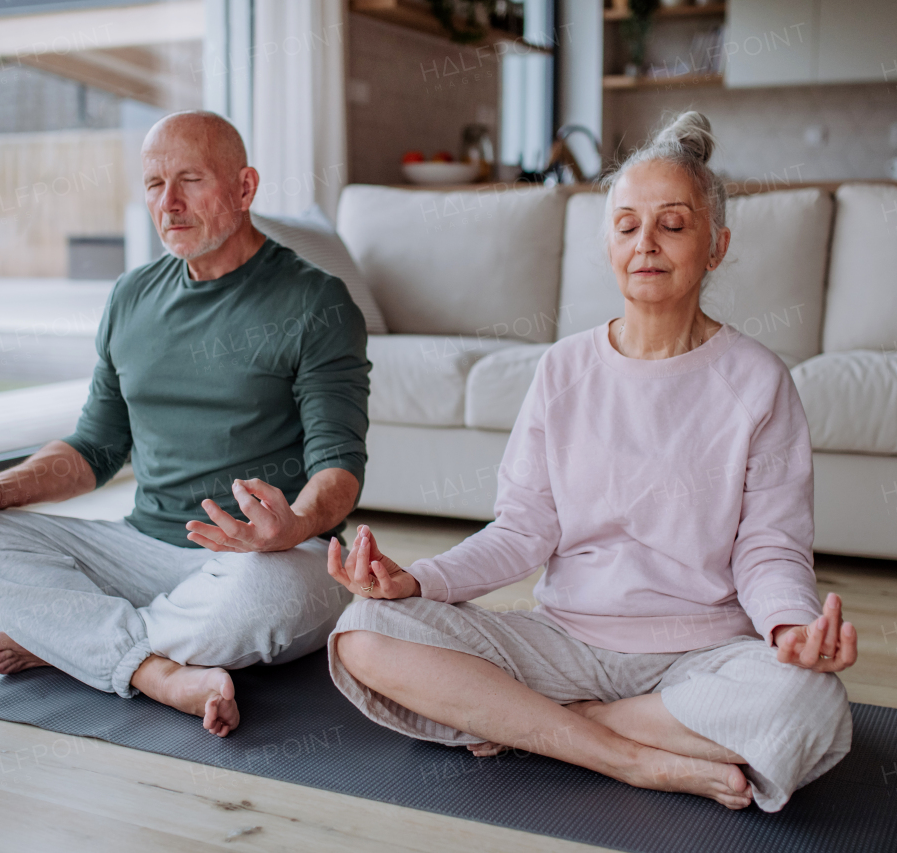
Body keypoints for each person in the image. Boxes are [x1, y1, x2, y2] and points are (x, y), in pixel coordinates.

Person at [325, 112, 856, 812]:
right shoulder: (564, 368)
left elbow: (770, 545)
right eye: (628, 225)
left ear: (716, 245)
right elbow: (522, 530)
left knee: (810, 703)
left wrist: (790, 627)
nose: (647, 243)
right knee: (362, 634)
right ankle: (631, 758)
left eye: (673, 223)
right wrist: (418, 580)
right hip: (563, 641)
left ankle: (545, 727)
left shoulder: (758, 380)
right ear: (607, 243)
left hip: (699, 656)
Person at [0, 111, 369, 737]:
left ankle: (78, 642)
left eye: (190, 180)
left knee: (283, 597)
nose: (168, 203)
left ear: (245, 188)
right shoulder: (130, 296)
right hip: (143, 550)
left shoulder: (315, 301)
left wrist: (292, 526)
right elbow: (95, 446)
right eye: (152, 184)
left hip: (262, 558)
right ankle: (154, 671)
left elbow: (338, 465)